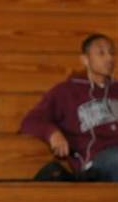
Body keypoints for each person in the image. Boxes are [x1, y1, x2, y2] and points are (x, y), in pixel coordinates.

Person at [20, 34, 118, 181]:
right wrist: (53, 134)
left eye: (112, 53)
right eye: (101, 53)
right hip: (96, 160)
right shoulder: (66, 91)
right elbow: (31, 121)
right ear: (85, 59)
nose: (109, 58)